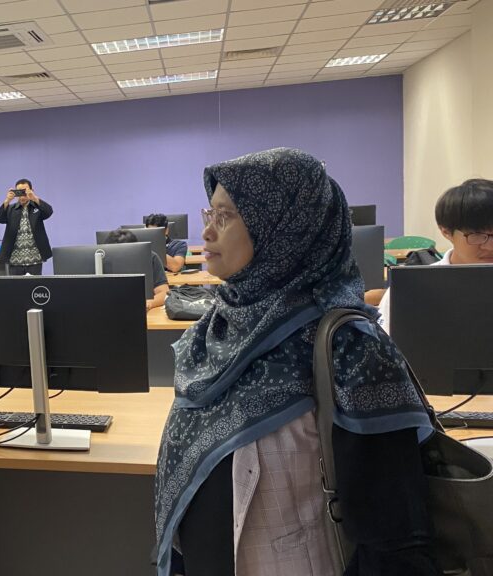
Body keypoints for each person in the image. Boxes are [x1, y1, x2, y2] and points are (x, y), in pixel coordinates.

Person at [155, 148, 436, 576]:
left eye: (226, 216)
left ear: (284, 230)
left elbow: (394, 532)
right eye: (209, 213)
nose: (207, 232)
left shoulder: (350, 348)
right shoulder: (215, 330)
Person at [378, 178, 493, 332]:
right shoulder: (411, 289)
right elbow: (384, 342)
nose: (490, 246)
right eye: (477, 235)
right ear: (446, 231)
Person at [0, 178, 53, 275]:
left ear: (31, 190)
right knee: (16, 285)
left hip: (35, 258)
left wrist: (34, 198)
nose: (22, 196)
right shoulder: (10, 209)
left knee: (35, 284)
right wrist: (7, 200)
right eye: (19, 192)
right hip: (14, 258)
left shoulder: (37, 207)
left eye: (24, 191)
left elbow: (49, 212)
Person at [103, 229, 170, 310]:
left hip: (144, 310)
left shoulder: (150, 257)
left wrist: (148, 303)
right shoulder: (100, 259)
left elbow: (163, 293)